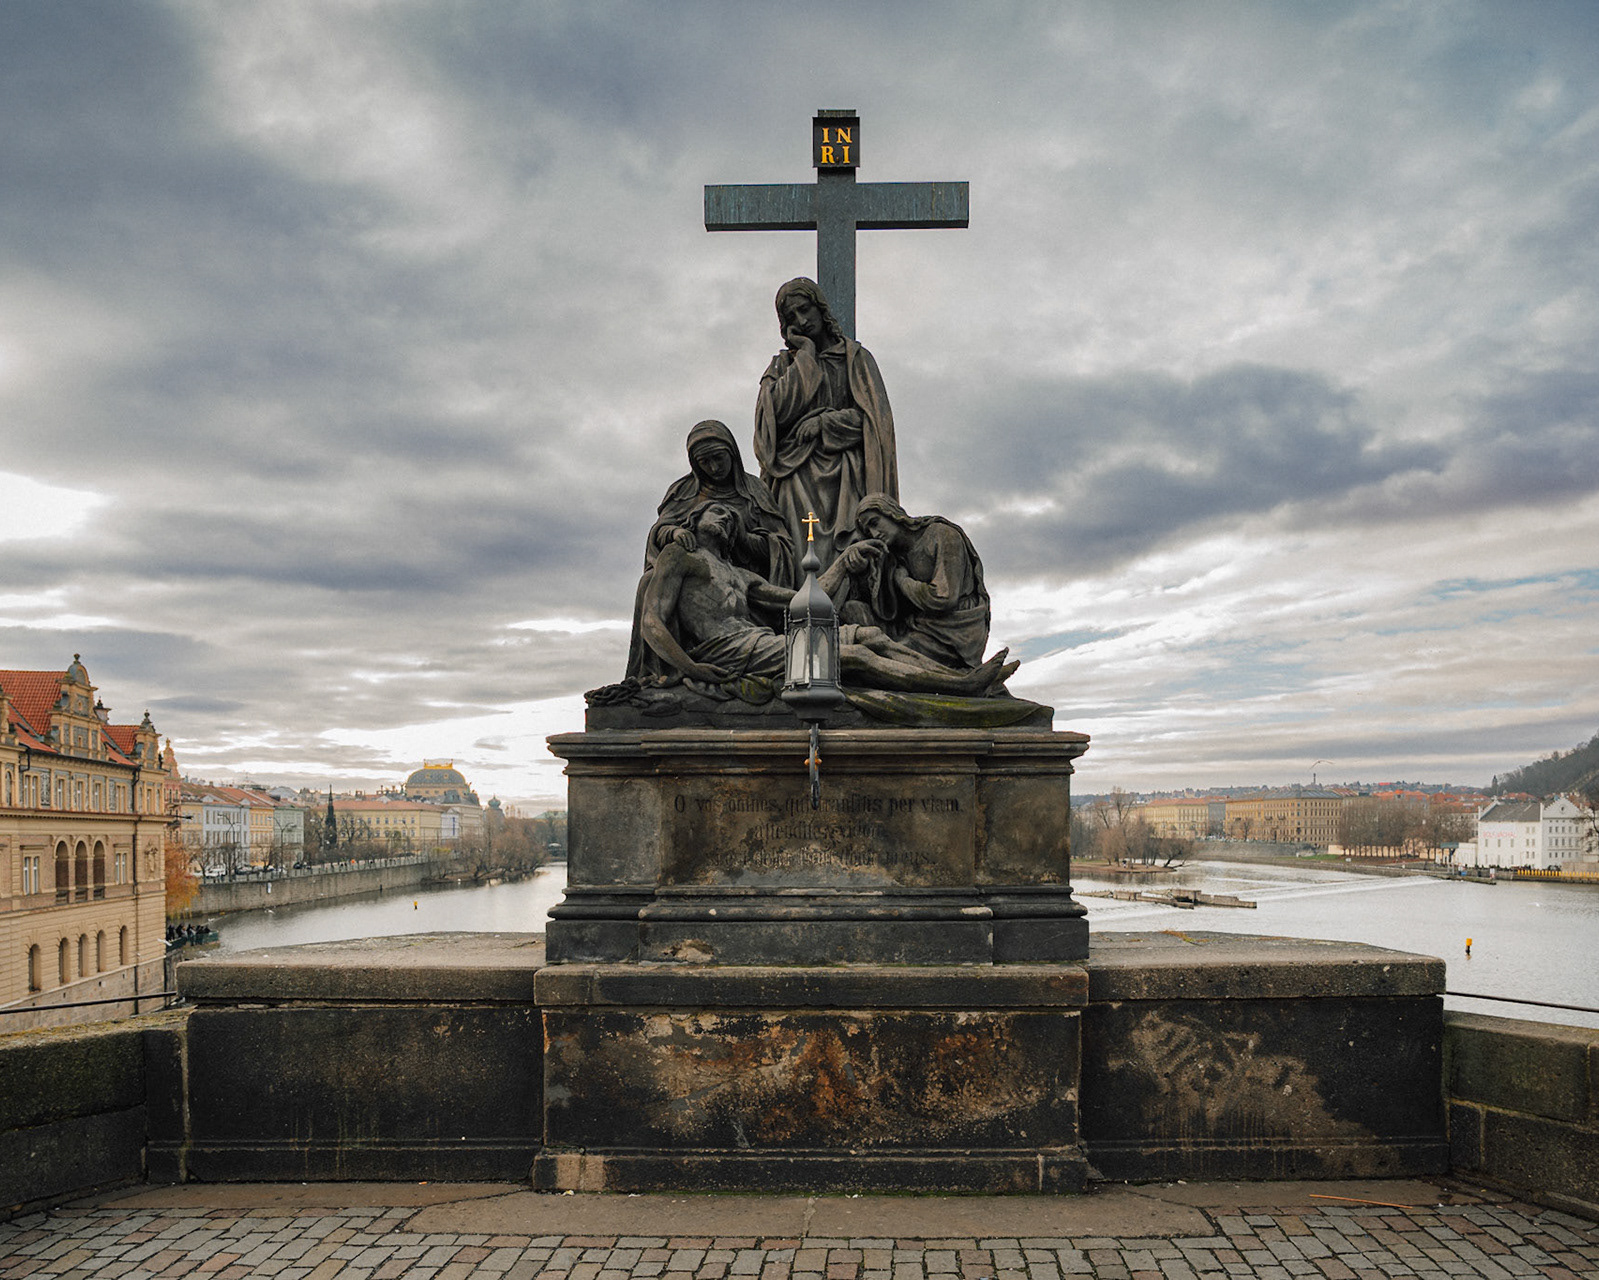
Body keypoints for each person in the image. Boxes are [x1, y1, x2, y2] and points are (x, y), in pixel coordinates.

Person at [639, 501, 1014, 697]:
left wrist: (846, 563)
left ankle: (960, 676)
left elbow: (803, 600)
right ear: (694, 519)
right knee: (853, 655)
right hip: (727, 651)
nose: (726, 519)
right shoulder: (680, 556)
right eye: (717, 512)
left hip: (758, 643)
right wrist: (691, 668)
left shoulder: (740, 575)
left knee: (871, 636)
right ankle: (959, 688)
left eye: (731, 518)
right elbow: (651, 621)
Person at [625, 421, 795, 679]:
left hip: (743, 584)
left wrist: (740, 536)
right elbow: (660, 530)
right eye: (705, 462)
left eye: (718, 458)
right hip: (698, 584)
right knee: (650, 582)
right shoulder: (683, 491)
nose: (714, 467)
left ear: (732, 453)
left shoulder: (755, 491)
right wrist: (674, 532)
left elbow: (779, 544)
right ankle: (665, 668)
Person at [754, 278, 896, 571]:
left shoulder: (855, 360)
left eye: (805, 309)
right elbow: (770, 422)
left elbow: (874, 423)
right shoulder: (783, 366)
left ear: (820, 307)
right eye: (791, 316)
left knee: (847, 557)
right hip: (795, 476)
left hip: (845, 476)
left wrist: (825, 423)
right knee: (797, 559)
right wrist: (805, 354)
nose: (801, 320)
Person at [832, 495, 992, 671]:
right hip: (918, 624)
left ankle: (956, 677)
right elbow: (887, 610)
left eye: (875, 523)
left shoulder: (942, 535)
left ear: (891, 513)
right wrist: (862, 571)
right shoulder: (893, 554)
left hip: (953, 631)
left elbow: (944, 598)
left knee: (882, 655)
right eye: (869, 531)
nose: (875, 534)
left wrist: (902, 580)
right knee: (853, 610)